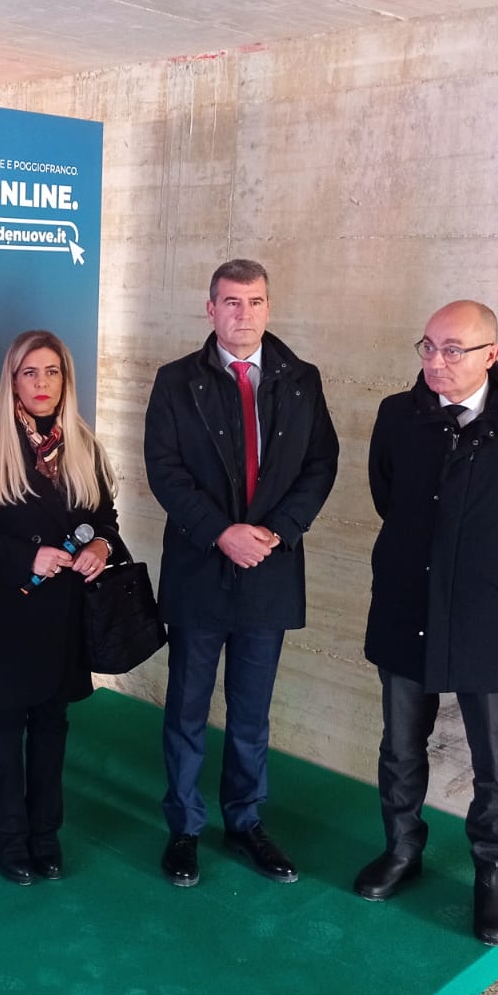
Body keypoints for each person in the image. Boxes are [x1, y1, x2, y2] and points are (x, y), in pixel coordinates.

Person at [353, 299, 498, 946]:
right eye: (427, 346)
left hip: (491, 617)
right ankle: (402, 849)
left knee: (497, 759)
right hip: (407, 606)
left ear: (492, 354)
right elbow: (387, 496)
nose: (436, 361)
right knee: (400, 746)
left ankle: (492, 872)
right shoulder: (398, 416)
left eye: (453, 349)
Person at [143, 259, 339, 887]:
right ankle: (184, 827)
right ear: (210, 309)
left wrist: (276, 532)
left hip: (269, 570)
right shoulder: (176, 381)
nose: (243, 314)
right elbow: (164, 469)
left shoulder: (302, 380)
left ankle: (246, 821)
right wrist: (220, 532)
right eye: (231, 302)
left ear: (268, 307)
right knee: (186, 708)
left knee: (251, 713)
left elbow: (321, 464)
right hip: (200, 569)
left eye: (254, 302)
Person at [0, 330, 120, 885]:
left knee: (52, 724)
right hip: (4, 617)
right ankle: (8, 838)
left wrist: (100, 547)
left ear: (65, 379)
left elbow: (106, 518)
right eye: (29, 373)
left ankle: (46, 835)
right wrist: (28, 557)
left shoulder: (84, 446)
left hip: (63, 617)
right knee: (4, 728)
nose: (41, 383)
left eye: (51, 372)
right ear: (13, 381)